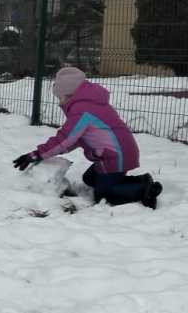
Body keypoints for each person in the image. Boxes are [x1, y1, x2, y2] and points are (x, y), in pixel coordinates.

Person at [14, 66, 161, 209]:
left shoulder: (82, 110)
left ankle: (144, 190)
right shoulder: (89, 104)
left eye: (59, 97)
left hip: (116, 156)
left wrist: (37, 154)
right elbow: (74, 140)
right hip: (117, 152)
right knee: (89, 179)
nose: (59, 102)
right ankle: (140, 180)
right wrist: (46, 153)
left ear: (69, 94)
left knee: (104, 195)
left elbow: (65, 139)